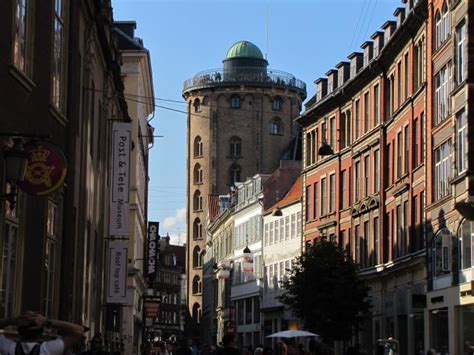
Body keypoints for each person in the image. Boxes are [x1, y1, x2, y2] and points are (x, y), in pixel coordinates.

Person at [0, 310, 84, 354]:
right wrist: (46, 321)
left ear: (19, 330)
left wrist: (12, 320)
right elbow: (79, 330)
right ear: (41, 332)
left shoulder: (9, 348)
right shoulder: (47, 350)